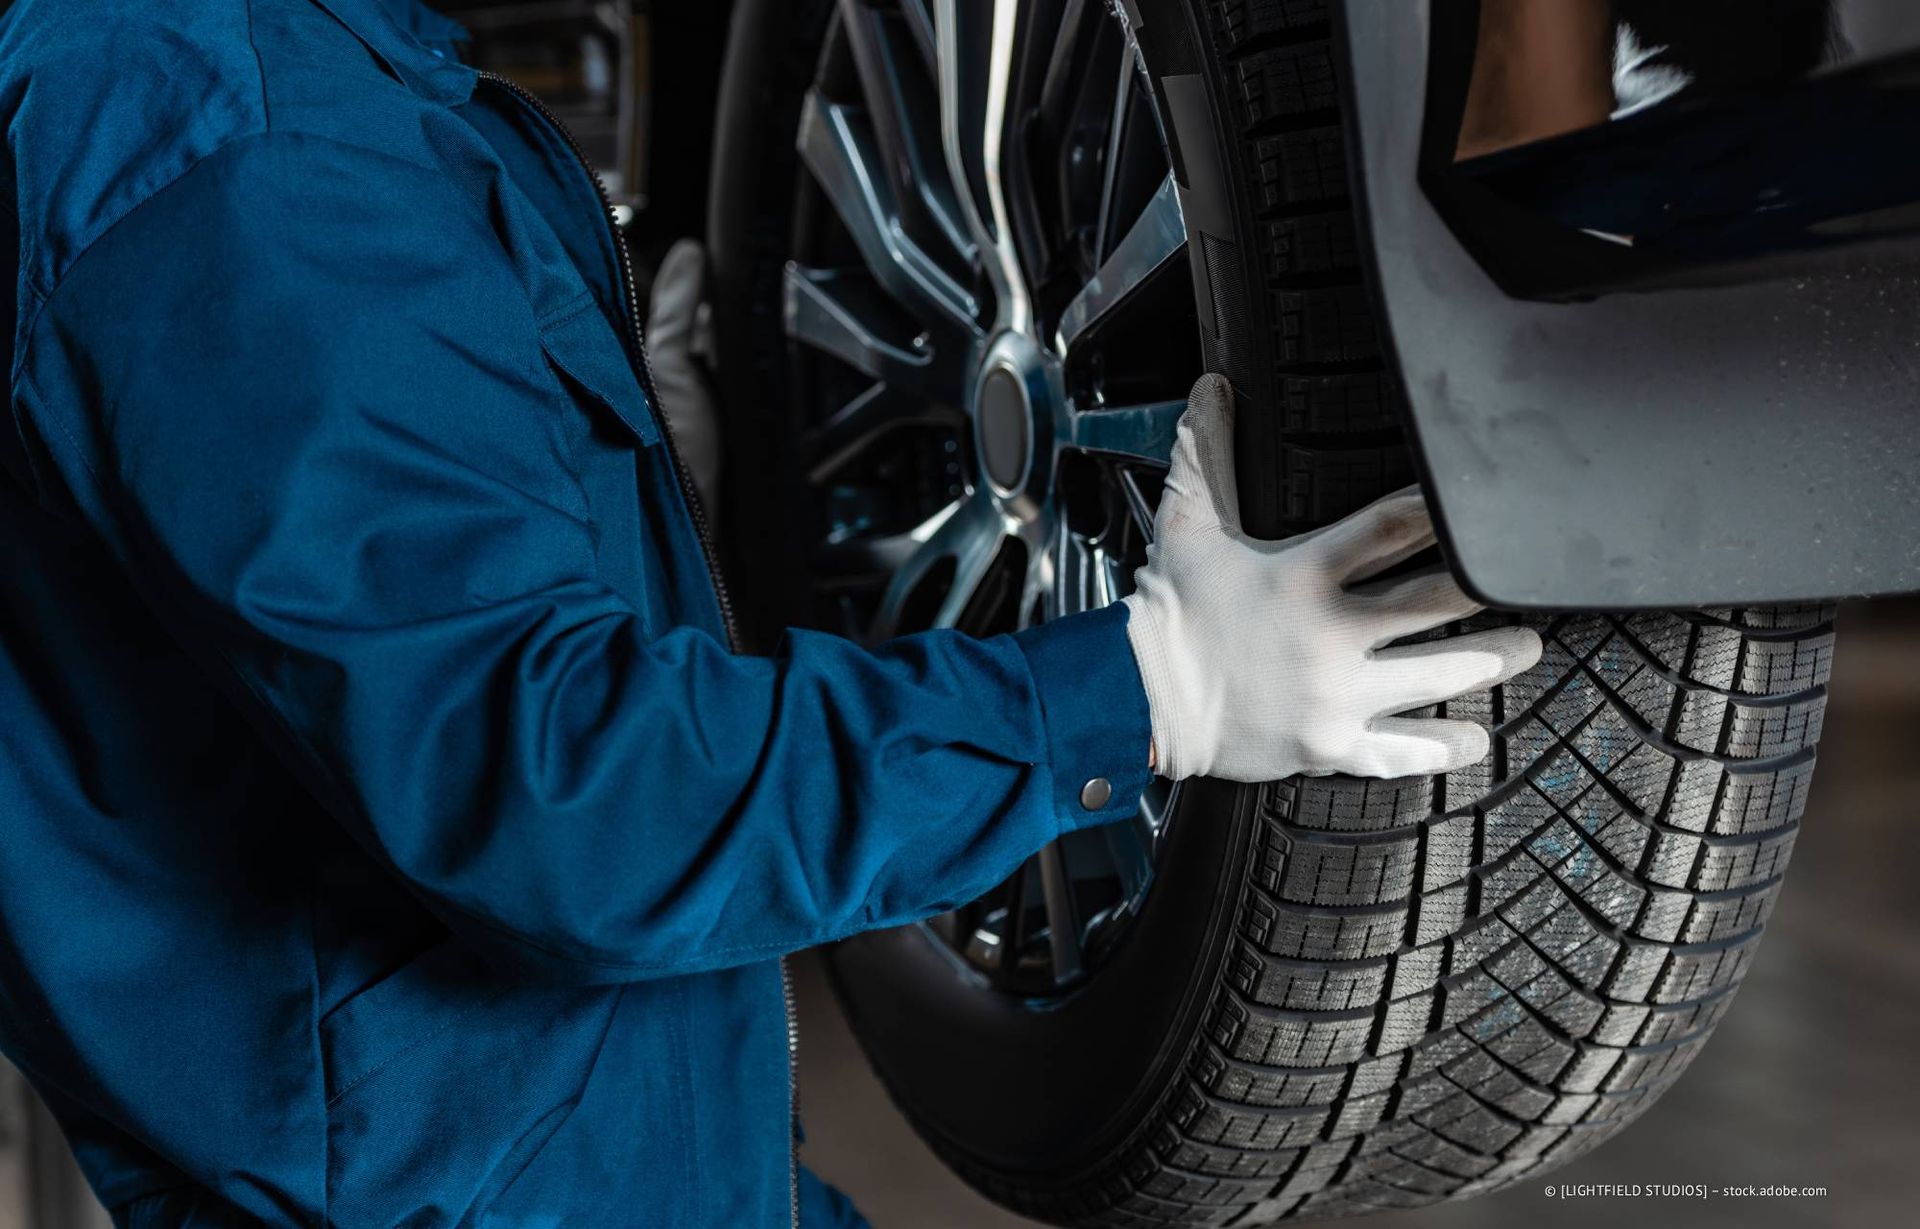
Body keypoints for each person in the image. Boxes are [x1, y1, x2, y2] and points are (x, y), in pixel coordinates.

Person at [0, 1, 1540, 1225]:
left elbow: (323, 636)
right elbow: (573, 807)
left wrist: (609, 498)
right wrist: (1144, 689)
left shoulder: (209, 93)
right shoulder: (244, 152)